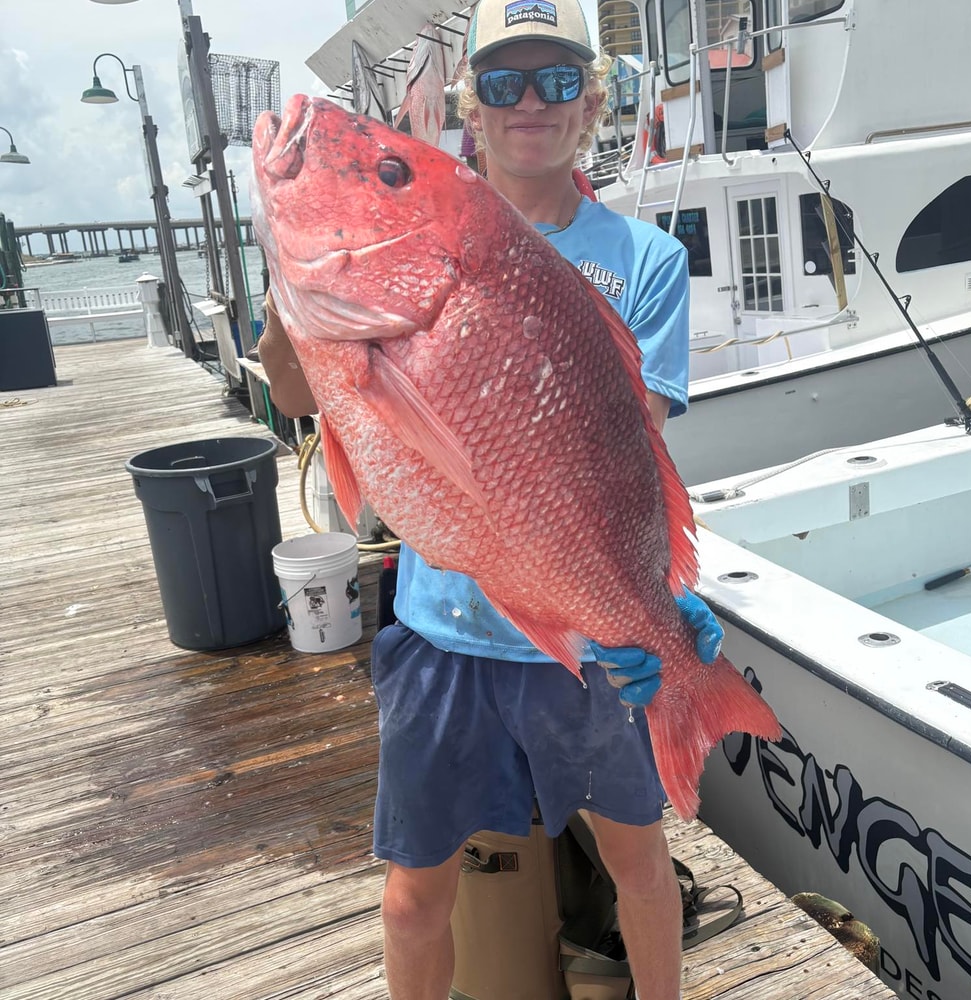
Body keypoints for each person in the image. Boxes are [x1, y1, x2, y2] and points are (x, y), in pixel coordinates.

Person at [257, 1, 724, 996]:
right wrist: (291, 282)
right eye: (505, 80)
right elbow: (299, 397)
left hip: (594, 648)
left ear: (591, 102)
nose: (530, 103)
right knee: (410, 899)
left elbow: (628, 451)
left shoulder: (649, 261)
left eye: (557, 80)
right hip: (441, 637)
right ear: (471, 103)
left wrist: (659, 598)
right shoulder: (420, 237)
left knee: (641, 868)